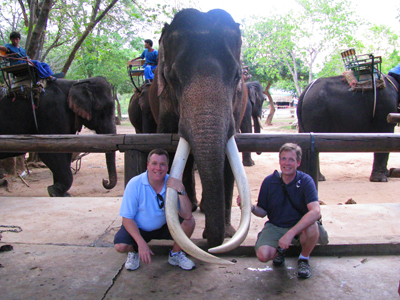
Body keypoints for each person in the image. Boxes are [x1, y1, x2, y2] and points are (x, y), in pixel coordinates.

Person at [237, 143, 321, 279]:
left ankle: (304, 259)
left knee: (312, 226)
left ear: (298, 163)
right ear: (279, 161)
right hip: (276, 225)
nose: (286, 163)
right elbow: (263, 212)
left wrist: (291, 233)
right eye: (283, 159)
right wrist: (250, 207)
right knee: (263, 255)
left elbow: (316, 212)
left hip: (299, 226)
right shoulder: (269, 182)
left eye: (291, 159)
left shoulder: (306, 181)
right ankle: (279, 250)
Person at [114, 148, 196, 271]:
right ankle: (133, 252)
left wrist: (182, 191)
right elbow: (127, 219)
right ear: (147, 165)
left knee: (190, 222)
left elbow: (187, 215)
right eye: (154, 164)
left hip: (165, 225)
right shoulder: (135, 184)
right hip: (139, 228)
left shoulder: (172, 182)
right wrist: (141, 243)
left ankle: (175, 254)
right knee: (120, 246)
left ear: (168, 167)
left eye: (162, 164)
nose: (158, 168)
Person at [0, 31, 64, 81]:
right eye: (13, 39)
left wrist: (29, 59)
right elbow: (4, 49)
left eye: (16, 39)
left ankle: (52, 75)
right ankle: (48, 77)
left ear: (19, 39)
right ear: (11, 39)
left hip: (25, 61)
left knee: (44, 64)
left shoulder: (22, 49)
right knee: (36, 62)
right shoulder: (9, 46)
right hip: (17, 63)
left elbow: (26, 56)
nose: (15, 41)